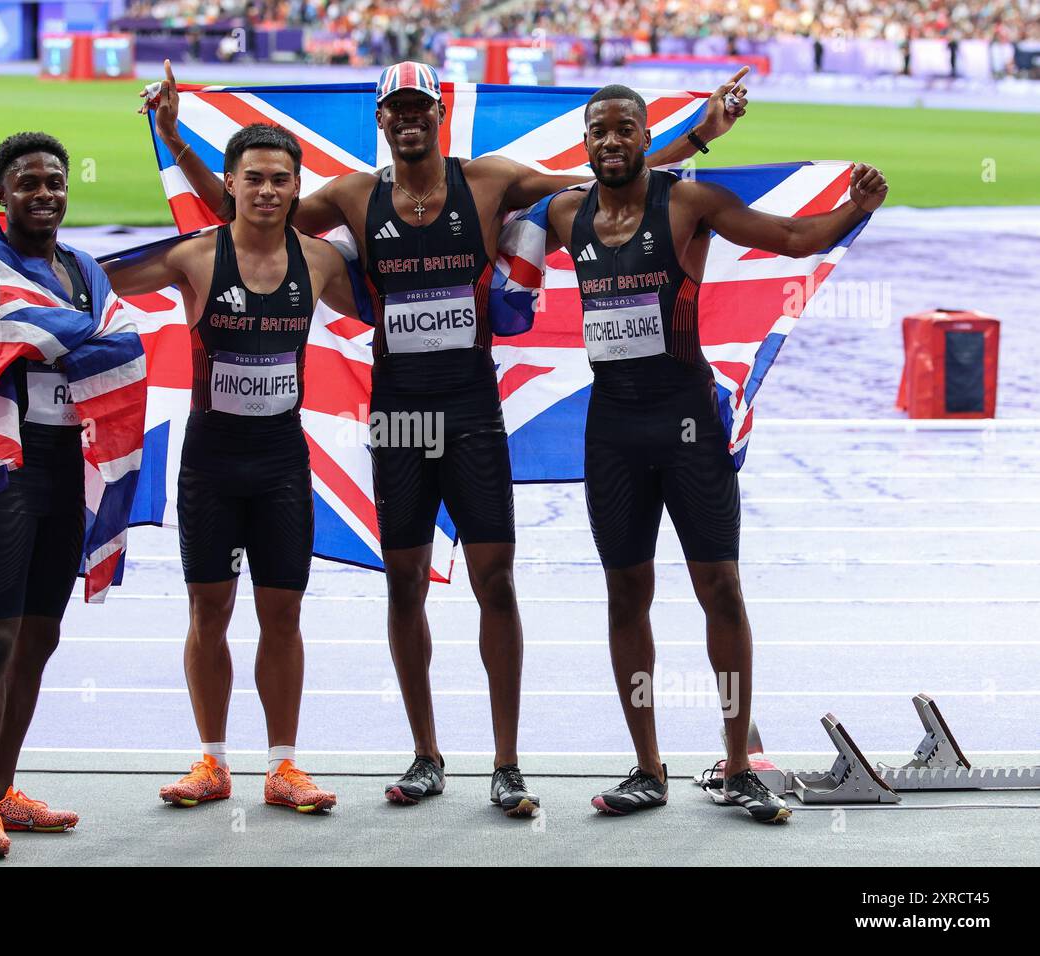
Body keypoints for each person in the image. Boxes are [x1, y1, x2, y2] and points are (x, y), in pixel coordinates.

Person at [145, 59, 749, 815]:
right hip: (399, 414)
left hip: (471, 410)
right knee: (404, 586)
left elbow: (600, 174)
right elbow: (247, 220)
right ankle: (427, 756)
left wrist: (700, 133)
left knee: (495, 581)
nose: (408, 120)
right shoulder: (352, 196)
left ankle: (506, 763)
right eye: (395, 109)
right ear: (381, 119)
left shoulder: (490, 181)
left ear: (439, 114)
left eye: (419, 108)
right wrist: (175, 140)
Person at [541, 84, 887, 823]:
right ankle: (647, 769)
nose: (611, 141)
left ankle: (737, 767)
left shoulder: (688, 206)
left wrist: (856, 207)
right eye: (598, 131)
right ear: (585, 139)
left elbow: (793, 240)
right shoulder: (567, 214)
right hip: (612, 433)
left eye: (624, 130)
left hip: (688, 425)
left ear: (642, 134)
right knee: (625, 597)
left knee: (720, 590)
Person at [103, 123, 360, 813]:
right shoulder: (193, 259)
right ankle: (212, 762)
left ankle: (282, 766)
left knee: (282, 614)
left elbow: (389, 307)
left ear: (297, 186)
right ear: (232, 185)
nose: (269, 189)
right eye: (254, 178)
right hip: (211, 462)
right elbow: (93, 283)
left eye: (281, 178)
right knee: (208, 610)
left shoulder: (322, 261)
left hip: (281, 462)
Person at [0, 133, 95, 857]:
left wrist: (86, 336)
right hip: (2, 468)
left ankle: (5, 789)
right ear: (2, 193)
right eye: (28, 183)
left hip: (68, 468)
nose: (44, 193)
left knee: (41, 636)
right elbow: (31, 328)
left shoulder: (81, 269)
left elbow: (118, 342)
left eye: (55, 182)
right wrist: (87, 334)